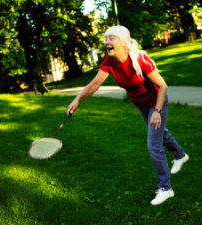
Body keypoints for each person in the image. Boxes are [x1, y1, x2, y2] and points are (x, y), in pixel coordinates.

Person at [67, 25, 189, 205]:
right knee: (159, 133)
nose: (107, 42)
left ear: (124, 43)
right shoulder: (109, 62)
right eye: (106, 38)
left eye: (111, 38)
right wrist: (77, 100)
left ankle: (166, 188)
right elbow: (94, 84)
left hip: (156, 103)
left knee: (153, 145)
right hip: (141, 104)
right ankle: (180, 155)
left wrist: (157, 111)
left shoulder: (140, 60)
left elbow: (163, 86)